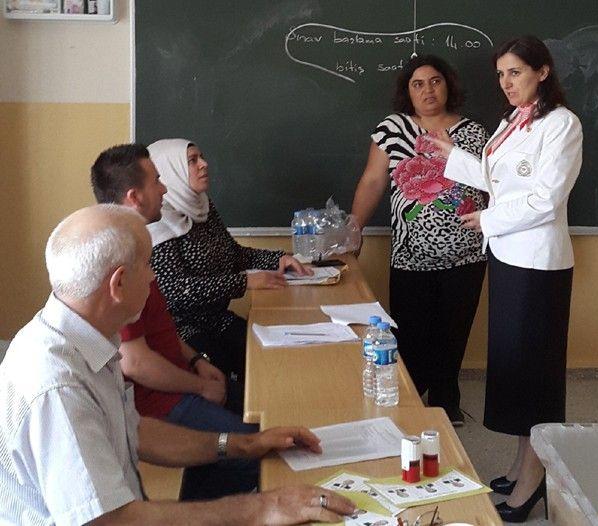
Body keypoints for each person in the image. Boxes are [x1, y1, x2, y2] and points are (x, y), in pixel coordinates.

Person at [0, 204, 354, 525]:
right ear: (118, 284)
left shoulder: (86, 337)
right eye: (147, 265)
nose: (153, 278)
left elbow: (135, 432)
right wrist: (264, 507)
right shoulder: (57, 386)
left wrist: (245, 445)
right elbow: (112, 522)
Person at [428, 36, 583, 522]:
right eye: (500, 74)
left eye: (515, 72)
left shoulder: (561, 124)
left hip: (537, 264)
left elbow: (546, 199)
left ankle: (534, 480)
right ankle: (521, 466)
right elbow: (501, 180)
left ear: (542, 71)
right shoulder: (514, 120)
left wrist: (488, 220)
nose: (506, 83)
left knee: (534, 375)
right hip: (509, 257)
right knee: (515, 368)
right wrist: (451, 155)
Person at [91, 143, 259, 501]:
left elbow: (160, 327)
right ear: (134, 197)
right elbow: (135, 362)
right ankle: (202, 513)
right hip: (155, 404)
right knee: (250, 450)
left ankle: (203, 495)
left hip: (179, 380)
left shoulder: (136, 244)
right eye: (157, 181)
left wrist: (197, 361)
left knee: (260, 412)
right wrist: (198, 386)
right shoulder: (117, 258)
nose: (165, 188)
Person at [350, 55, 489, 425]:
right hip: (410, 256)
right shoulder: (392, 129)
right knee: (409, 335)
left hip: (466, 255)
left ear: (448, 85)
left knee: (453, 334)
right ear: (407, 92)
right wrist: (355, 227)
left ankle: (446, 401)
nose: (428, 90)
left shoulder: (475, 133)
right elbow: (372, 181)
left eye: (435, 81)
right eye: (418, 84)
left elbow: (491, 184)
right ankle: (410, 400)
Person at [147, 139, 311, 386]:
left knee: (271, 357)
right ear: (171, 170)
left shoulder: (202, 207)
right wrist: (244, 282)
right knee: (230, 380)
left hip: (216, 319)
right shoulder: (158, 221)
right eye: (192, 161)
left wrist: (279, 258)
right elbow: (176, 291)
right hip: (181, 330)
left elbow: (232, 255)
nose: (204, 164)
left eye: (201, 157)